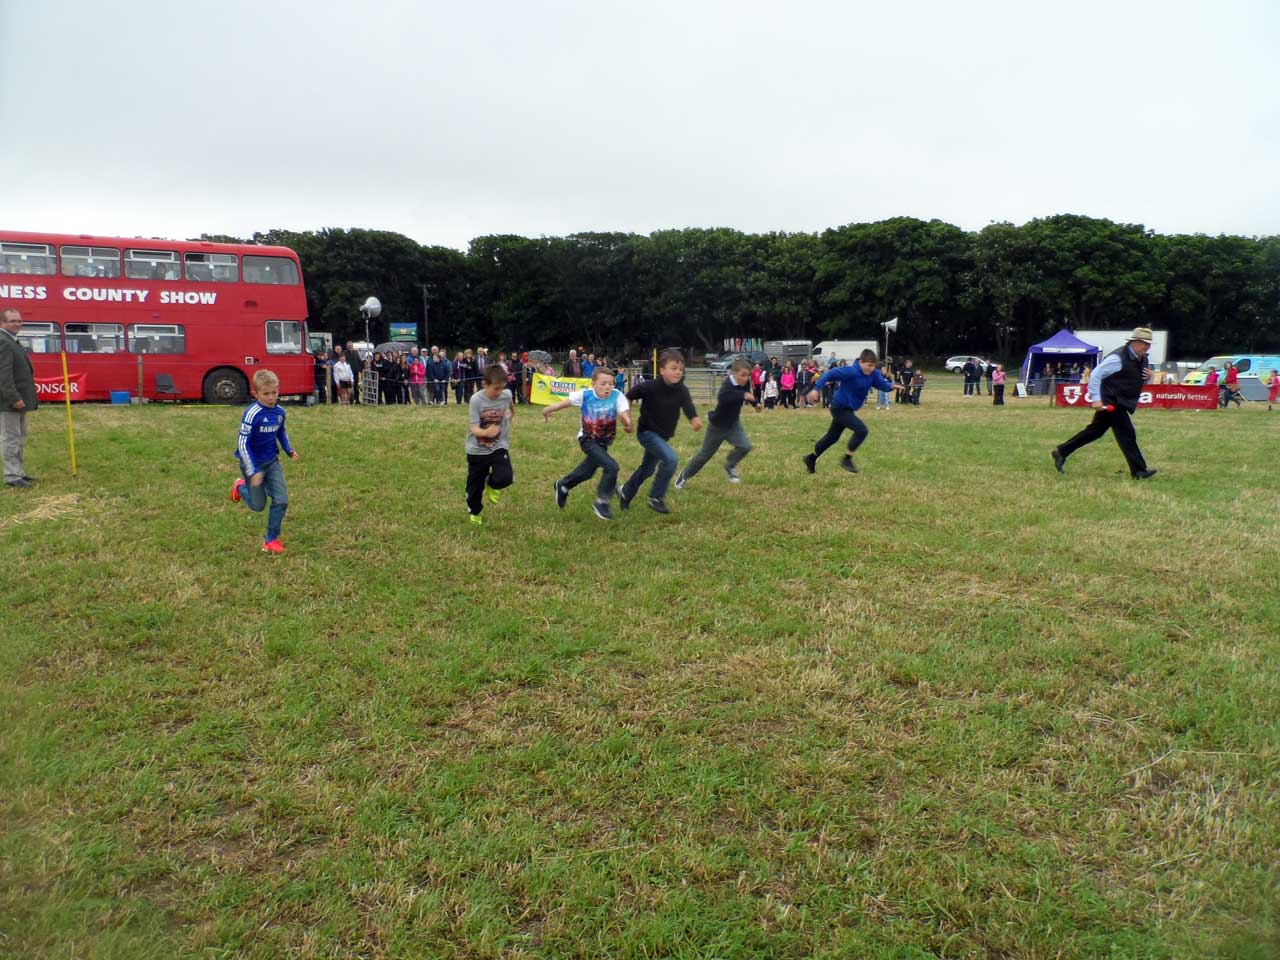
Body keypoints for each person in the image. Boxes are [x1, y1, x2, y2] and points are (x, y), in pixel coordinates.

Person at [1051, 327, 1157, 480]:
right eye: (1144, 344)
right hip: (1111, 401)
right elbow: (1095, 375)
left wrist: (1149, 376)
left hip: (1120, 400)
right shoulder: (1118, 358)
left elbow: (1133, 377)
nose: (1147, 347)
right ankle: (1139, 471)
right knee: (1127, 434)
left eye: (1148, 344)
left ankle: (1061, 451)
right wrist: (1096, 398)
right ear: (1134, 342)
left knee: (1095, 431)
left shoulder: (1141, 358)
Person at [618, 348, 702, 514]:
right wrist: (627, 417)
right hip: (647, 432)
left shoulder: (682, 390)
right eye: (673, 368)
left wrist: (694, 419)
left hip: (662, 436)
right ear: (662, 370)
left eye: (680, 369)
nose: (678, 372)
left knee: (648, 469)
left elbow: (688, 407)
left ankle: (625, 491)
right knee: (671, 459)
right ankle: (656, 497)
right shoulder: (650, 387)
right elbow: (628, 396)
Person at [543, 366, 632, 521]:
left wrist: (626, 422)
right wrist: (550, 409)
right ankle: (602, 502)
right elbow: (567, 402)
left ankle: (563, 485)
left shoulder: (617, 396)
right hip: (587, 439)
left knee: (588, 471)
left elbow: (625, 417)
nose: (607, 387)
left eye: (611, 383)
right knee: (611, 467)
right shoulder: (585, 395)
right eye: (603, 383)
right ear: (593, 384)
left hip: (603, 442)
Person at [229, 370, 298, 552]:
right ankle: (240, 487)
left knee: (281, 500)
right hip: (252, 465)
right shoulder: (252, 414)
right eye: (266, 394)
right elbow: (242, 444)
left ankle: (270, 540)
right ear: (256, 394)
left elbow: (281, 432)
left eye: (274, 393)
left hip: (272, 462)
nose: (271, 397)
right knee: (258, 506)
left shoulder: (280, 412)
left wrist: (288, 450)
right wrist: (252, 471)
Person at [802, 348, 894, 475]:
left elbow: (881, 385)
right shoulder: (851, 371)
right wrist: (816, 389)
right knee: (862, 430)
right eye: (868, 365)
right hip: (839, 407)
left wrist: (891, 386)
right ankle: (847, 459)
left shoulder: (873, 374)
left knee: (832, 437)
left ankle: (811, 458)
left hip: (849, 409)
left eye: (873, 366)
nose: (871, 368)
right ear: (861, 362)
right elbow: (829, 374)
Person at [675, 358, 759, 488]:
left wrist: (755, 404)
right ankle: (684, 475)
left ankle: (730, 465)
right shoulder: (727, 384)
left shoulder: (744, 383)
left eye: (747, 375)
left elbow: (747, 394)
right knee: (704, 456)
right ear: (733, 373)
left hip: (733, 424)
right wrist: (742, 396)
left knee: (745, 446)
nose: (745, 378)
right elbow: (723, 398)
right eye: (742, 375)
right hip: (717, 426)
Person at [465, 366, 516, 525]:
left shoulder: (505, 394)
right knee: (474, 487)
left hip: (498, 445)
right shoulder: (476, 400)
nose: (500, 392)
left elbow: (509, 402)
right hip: (477, 450)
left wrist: (511, 413)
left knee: (506, 478)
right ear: (484, 384)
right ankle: (475, 511)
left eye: (502, 388)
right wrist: (486, 433)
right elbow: (473, 427)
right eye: (496, 389)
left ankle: (492, 484)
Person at [0, 307, 37, 488]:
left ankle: (19, 472)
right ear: (2, 323)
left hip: (17, 400)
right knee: (11, 438)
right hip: (9, 403)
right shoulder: (4, 342)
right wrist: (14, 397)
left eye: (19, 321)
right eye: (13, 321)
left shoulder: (12, 340)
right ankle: (12, 476)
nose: (17, 324)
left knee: (20, 437)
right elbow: (3, 375)